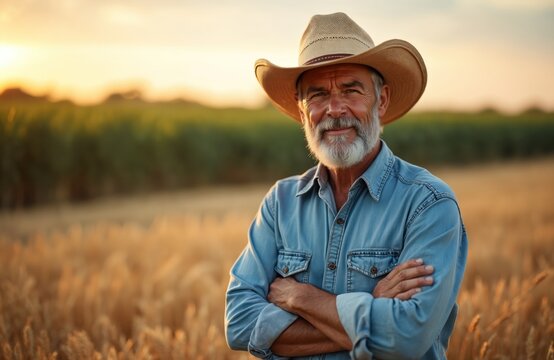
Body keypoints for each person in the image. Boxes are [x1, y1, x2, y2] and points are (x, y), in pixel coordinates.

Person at [225, 12, 467, 359]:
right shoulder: (280, 203)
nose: (335, 109)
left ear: (381, 100)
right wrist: (372, 308)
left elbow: (407, 336)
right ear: (302, 108)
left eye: (351, 90)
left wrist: (302, 299)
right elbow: (238, 323)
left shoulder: (428, 203)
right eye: (318, 95)